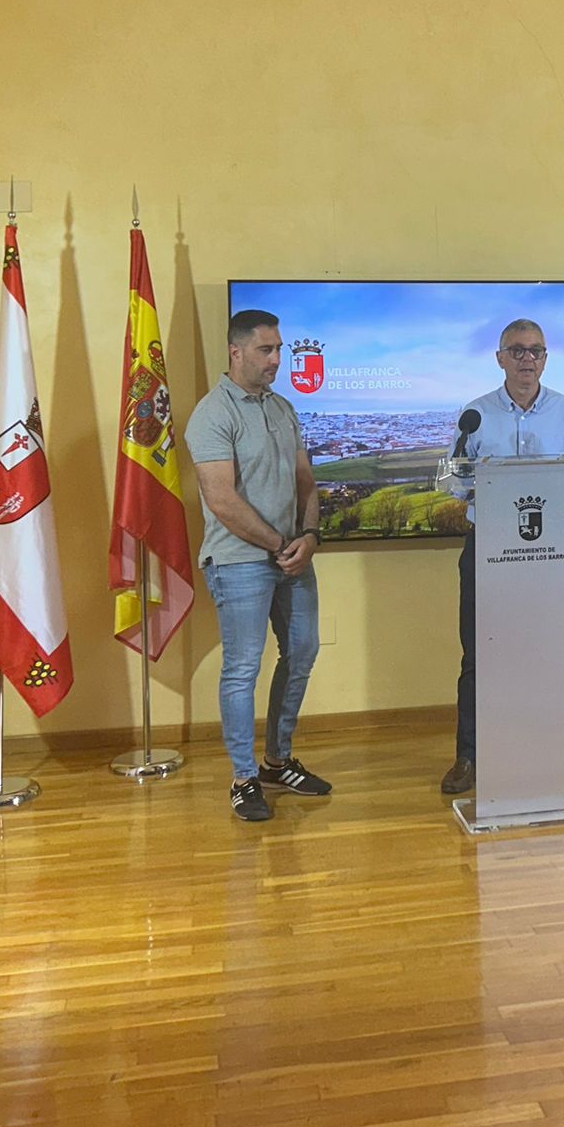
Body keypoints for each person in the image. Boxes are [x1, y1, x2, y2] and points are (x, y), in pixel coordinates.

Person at [185, 309, 332, 822]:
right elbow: (221, 499)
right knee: (242, 668)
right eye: (266, 350)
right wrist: (280, 544)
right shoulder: (212, 414)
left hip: (292, 556)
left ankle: (277, 761)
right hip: (239, 561)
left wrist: (309, 536)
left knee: (302, 652)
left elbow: (306, 482)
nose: (276, 360)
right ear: (236, 351)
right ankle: (243, 778)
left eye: (279, 350)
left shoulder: (282, 407)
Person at [439, 319, 564, 795]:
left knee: (546, 650)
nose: (528, 359)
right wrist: (482, 482)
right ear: (500, 358)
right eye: (518, 350)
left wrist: (558, 481)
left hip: (549, 553)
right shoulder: (475, 413)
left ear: (546, 359)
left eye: (536, 351)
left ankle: (542, 750)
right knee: (478, 655)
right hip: (487, 546)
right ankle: (469, 756)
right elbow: (454, 478)